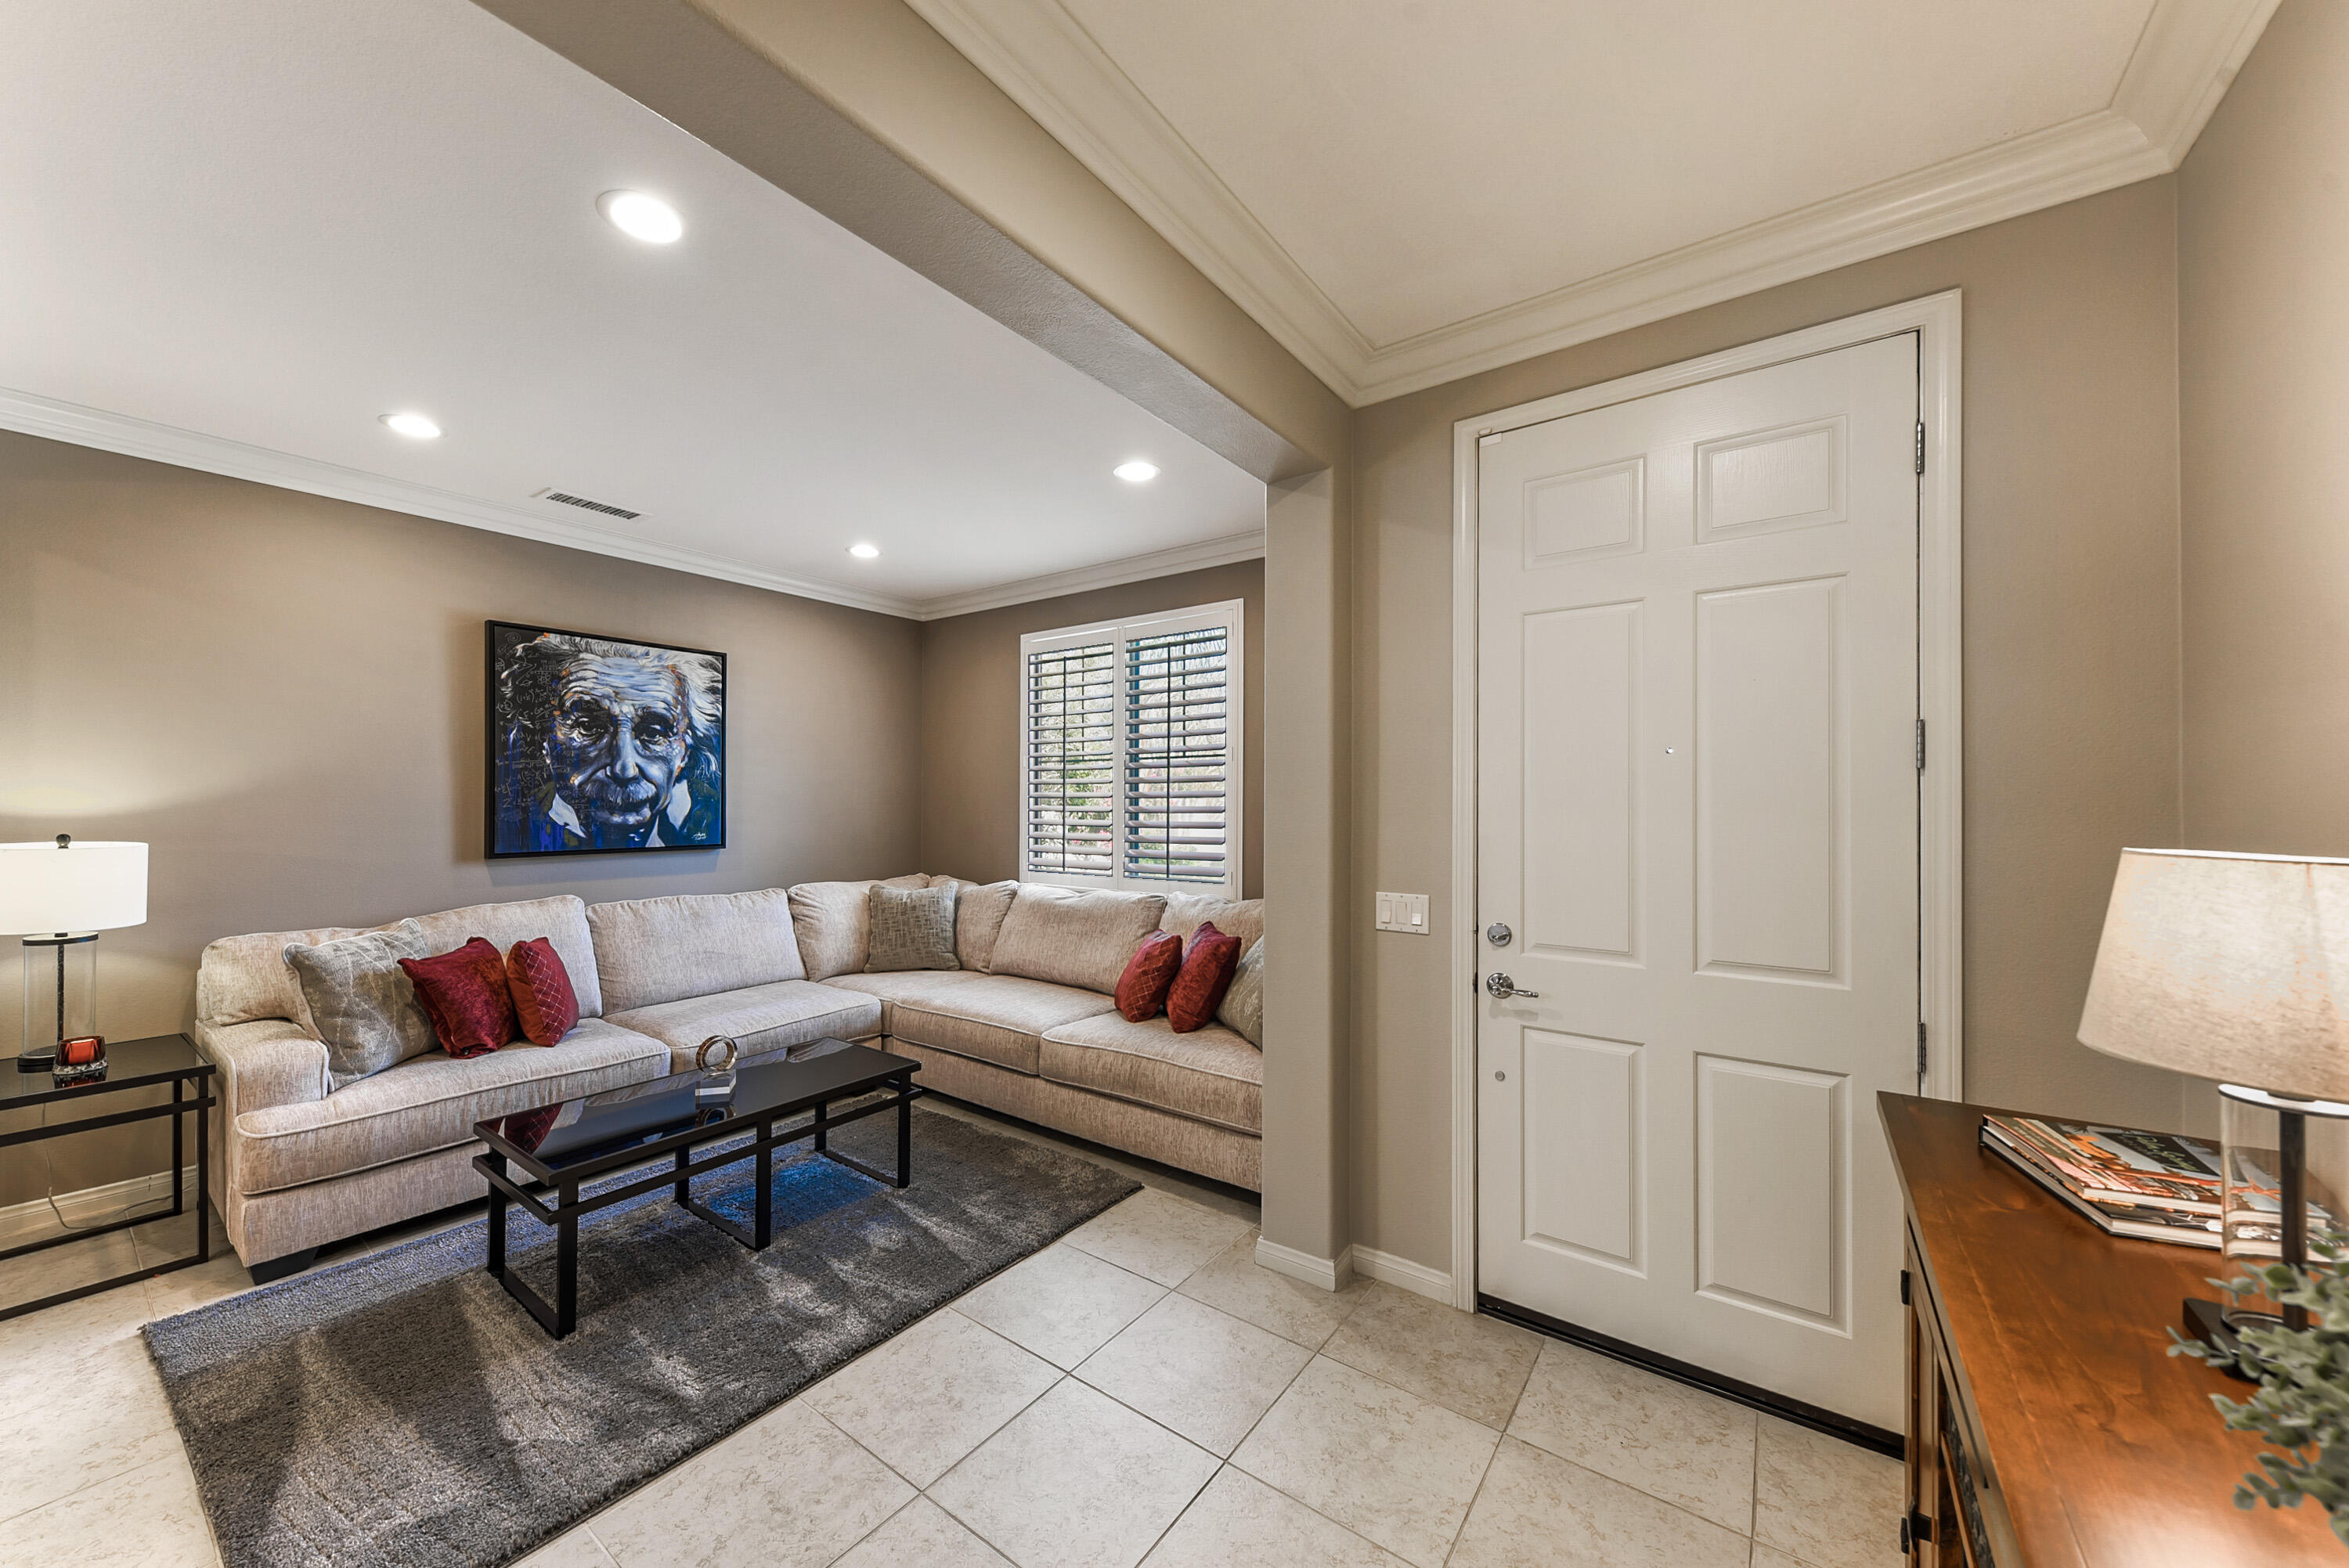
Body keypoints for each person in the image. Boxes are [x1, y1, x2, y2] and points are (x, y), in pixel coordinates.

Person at [493, 632, 723, 852]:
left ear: (686, 753)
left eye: (653, 733)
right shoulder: (515, 835)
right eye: (587, 726)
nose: (624, 769)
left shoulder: (696, 834)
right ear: (544, 738)